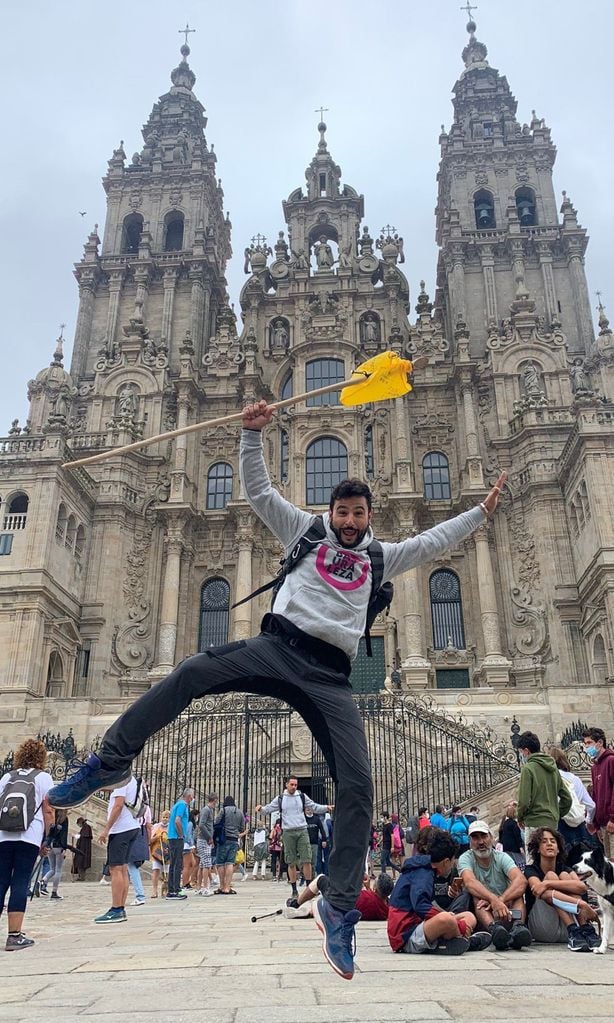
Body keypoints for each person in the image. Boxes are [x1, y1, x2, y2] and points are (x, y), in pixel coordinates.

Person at [47, 397, 506, 981]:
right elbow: (261, 494)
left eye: (359, 512)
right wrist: (249, 434)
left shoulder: (383, 558)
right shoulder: (307, 533)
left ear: (370, 516)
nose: (349, 519)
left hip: (331, 677)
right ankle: (110, 760)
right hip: (277, 648)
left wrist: (482, 512)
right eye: (342, 510)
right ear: (332, 510)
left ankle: (338, 907)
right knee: (189, 673)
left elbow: (436, 541)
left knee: (360, 786)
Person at [387, 831, 491, 955]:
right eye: (453, 862)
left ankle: (455, 940)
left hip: (420, 925)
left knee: (469, 916)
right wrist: (454, 922)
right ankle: (465, 939)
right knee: (447, 919)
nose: (452, 865)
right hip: (406, 936)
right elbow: (420, 905)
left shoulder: (429, 870)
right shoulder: (422, 873)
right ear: (446, 861)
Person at [0, 739, 54, 950]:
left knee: (1, 880)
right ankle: (14, 936)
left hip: (4, 835)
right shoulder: (43, 778)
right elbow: (48, 810)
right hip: (29, 836)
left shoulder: (7, 776)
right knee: (20, 881)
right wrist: (47, 838)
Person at [457, 820, 531, 951]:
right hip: (484, 911)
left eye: (484, 836)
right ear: (470, 841)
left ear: (491, 837)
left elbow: (520, 880)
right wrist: (492, 899)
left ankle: (519, 927)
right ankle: (494, 929)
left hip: (505, 907)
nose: (480, 842)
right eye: (475, 837)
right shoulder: (465, 858)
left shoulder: (502, 857)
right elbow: (470, 882)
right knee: (477, 898)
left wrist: (499, 900)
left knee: (517, 896)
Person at [524, 826, 600, 952]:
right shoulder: (531, 869)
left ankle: (583, 929)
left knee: (563, 877)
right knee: (551, 876)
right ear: (537, 849)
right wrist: (581, 904)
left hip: (567, 928)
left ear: (558, 849)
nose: (549, 844)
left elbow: (581, 887)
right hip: (543, 927)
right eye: (544, 841)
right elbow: (538, 890)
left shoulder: (565, 869)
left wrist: (547, 884)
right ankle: (574, 928)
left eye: (553, 841)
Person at [256, 776, 329, 900]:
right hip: (288, 832)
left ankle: (308, 887)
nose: (294, 787)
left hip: (302, 830)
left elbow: (314, 806)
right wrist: (261, 809)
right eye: (292, 784)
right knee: (291, 862)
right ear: (286, 785)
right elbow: (268, 809)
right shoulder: (280, 799)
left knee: (307, 860)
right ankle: (294, 889)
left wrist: (326, 807)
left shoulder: (302, 797)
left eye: (296, 785)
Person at [515, 731, 572, 855]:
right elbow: (567, 798)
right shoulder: (553, 769)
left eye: (520, 752)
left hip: (534, 821)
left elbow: (524, 801)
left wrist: (520, 816)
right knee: (551, 859)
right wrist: (556, 813)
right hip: (552, 822)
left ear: (526, 751)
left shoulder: (528, 768)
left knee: (533, 861)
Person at [94, 775, 140, 923]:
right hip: (131, 827)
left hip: (121, 829)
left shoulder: (121, 780)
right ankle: (120, 907)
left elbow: (118, 805)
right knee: (122, 868)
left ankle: (116, 909)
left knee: (115, 869)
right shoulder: (131, 779)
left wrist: (106, 829)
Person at [548, 746, 595, 849]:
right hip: (579, 824)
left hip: (560, 823)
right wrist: (588, 821)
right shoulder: (575, 779)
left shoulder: (549, 779)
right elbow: (591, 805)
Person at [582, 727, 614, 859]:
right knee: (609, 859)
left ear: (600, 742)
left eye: (589, 743)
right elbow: (594, 795)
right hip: (602, 824)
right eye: (585, 743)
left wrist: (613, 818)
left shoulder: (611, 760)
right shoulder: (594, 767)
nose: (586, 747)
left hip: (611, 821)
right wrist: (595, 822)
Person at [213, 795, 245, 894]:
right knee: (230, 862)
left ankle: (222, 886)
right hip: (234, 840)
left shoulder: (223, 810)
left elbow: (216, 822)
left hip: (223, 839)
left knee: (221, 863)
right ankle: (227, 887)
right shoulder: (239, 812)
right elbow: (242, 827)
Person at [166, 788, 193, 900]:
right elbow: (177, 820)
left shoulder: (177, 804)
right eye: (192, 796)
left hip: (172, 837)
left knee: (173, 863)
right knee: (177, 863)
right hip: (177, 837)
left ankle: (171, 889)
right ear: (189, 796)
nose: (193, 799)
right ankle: (175, 889)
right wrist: (181, 834)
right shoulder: (183, 805)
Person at [127, 802, 151, 906]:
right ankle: (138, 894)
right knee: (132, 865)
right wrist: (148, 842)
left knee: (132, 866)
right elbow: (148, 826)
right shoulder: (147, 808)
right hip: (141, 834)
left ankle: (139, 895)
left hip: (133, 833)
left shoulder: (129, 805)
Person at [41, 809, 68, 900]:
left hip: (51, 845)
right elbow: (64, 834)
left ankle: (42, 881)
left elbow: (48, 833)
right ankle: (54, 892)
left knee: (52, 868)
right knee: (58, 870)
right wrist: (64, 848)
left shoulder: (52, 817)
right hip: (59, 846)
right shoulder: (64, 819)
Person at [196, 794, 216, 895]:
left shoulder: (208, 810)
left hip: (204, 839)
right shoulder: (206, 810)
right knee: (207, 864)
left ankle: (199, 887)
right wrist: (209, 837)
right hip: (204, 839)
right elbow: (201, 824)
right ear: (214, 800)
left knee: (202, 864)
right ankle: (205, 887)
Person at [149, 809, 170, 898]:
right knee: (156, 870)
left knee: (167, 872)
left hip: (167, 852)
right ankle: (154, 890)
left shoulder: (171, 828)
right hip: (156, 852)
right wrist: (157, 837)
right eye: (163, 817)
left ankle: (166, 889)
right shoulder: (156, 827)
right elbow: (150, 840)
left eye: (167, 817)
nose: (165, 819)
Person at [498, 802, 525, 867]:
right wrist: (520, 847)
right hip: (515, 848)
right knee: (520, 863)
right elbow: (517, 836)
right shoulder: (514, 824)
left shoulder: (505, 823)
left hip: (507, 848)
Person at [71, 817, 92, 881]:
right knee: (79, 863)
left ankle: (82, 877)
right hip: (82, 848)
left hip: (83, 848)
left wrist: (75, 836)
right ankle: (80, 876)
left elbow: (82, 836)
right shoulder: (84, 828)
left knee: (81, 862)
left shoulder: (86, 827)